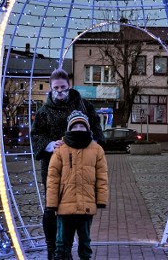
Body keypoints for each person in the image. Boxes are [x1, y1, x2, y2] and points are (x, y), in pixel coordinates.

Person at [31, 68, 105, 259]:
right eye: (56, 88)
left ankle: (73, 248)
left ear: (69, 86)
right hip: (52, 164)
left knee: (75, 207)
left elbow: (96, 126)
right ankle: (53, 249)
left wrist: (94, 141)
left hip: (79, 165)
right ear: (51, 87)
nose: (60, 92)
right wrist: (48, 144)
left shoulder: (83, 105)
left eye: (63, 88)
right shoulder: (44, 111)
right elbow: (36, 134)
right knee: (51, 206)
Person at [46, 111, 108, 260]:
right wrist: (52, 203)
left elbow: (102, 176)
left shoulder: (96, 149)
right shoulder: (61, 149)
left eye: (82, 126)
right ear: (69, 128)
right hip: (64, 205)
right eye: (75, 126)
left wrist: (101, 200)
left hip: (86, 204)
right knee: (62, 244)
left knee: (85, 243)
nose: (79, 129)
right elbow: (53, 178)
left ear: (87, 128)